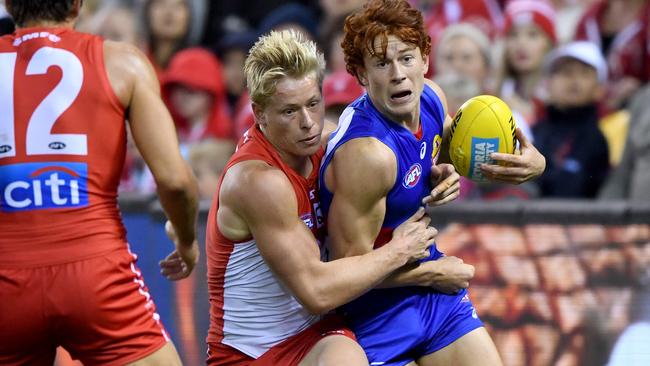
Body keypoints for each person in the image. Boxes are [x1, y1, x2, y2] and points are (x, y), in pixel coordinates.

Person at [319, 0, 546, 365]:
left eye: (407, 58)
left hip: (430, 294)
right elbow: (346, 273)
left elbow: (443, 150)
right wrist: (434, 272)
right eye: (381, 63)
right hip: (374, 314)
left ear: (425, 59)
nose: (398, 74)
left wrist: (534, 163)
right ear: (361, 74)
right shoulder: (367, 155)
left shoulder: (433, 98)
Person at [203, 29, 442, 366]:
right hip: (250, 354)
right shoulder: (258, 181)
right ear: (259, 114)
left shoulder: (326, 140)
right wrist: (401, 253)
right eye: (289, 112)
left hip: (317, 334)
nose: (307, 123)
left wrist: (442, 168)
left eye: (313, 104)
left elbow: (419, 144)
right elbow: (316, 292)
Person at [0, 1, 199, 365]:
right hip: (95, 273)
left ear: (9, 4)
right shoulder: (122, 62)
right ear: (78, 4)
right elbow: (175, 181)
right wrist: (186, 239)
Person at [533, 41, 610, 198]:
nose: (574, 80)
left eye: (584, 73)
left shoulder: (599, 139)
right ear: (548, 84)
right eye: (566, 72)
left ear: (599, 89)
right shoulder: (533, 131)